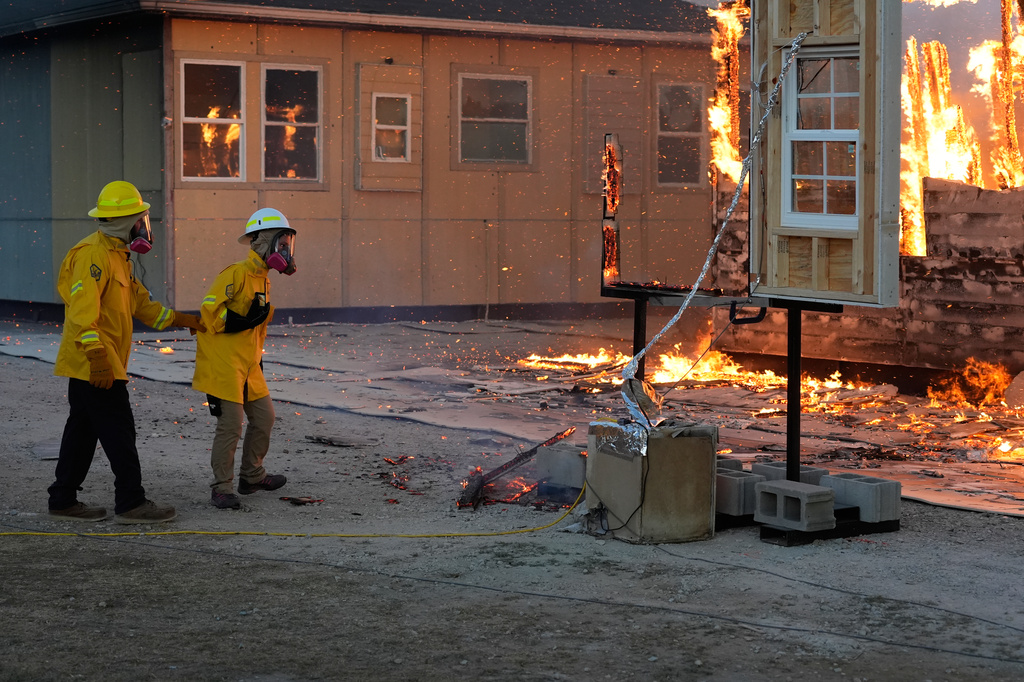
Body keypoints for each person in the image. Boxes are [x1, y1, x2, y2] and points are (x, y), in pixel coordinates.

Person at [48, 180, 206, 523]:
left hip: (97, 362)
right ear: (125, 222)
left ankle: (62, 498)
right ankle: (131, 501)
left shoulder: (118, 256)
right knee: (119, 430)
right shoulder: (93, 255)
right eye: (141, 220)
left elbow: (142, 305)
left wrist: (181, 319)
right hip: (96, 362)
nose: (144, 228)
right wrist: (97, 358)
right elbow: (81, 315)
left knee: (83, 430)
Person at [192, 208, 297, 509]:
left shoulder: (263, 279)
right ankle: (221, 488)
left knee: (265, 418)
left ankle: (251, 476)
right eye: (281, 242)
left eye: (287, 243)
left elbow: (257, 325)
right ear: (263, 242)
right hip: (223, 363)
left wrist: (257, 357)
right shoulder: (236, 273)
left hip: (248, 364)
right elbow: (209, 311)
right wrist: (237, 321)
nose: (286, 249)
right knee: (231, 426)